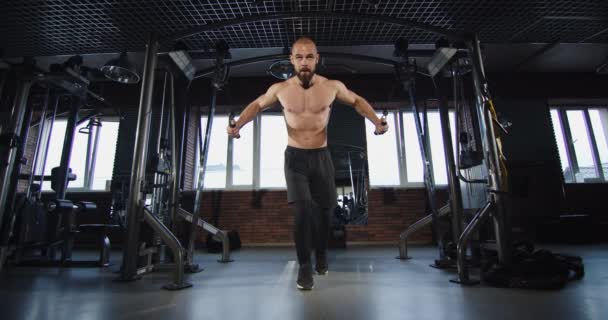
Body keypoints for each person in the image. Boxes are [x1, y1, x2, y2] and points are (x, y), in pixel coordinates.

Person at [227, 36, 388, 290]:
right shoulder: (280, 89)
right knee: (302, 210)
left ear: (317, 59)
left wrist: (376, 121)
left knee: (324, 213)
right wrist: (238, 125)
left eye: (309, 57)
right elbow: (257, 104)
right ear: (291, 60)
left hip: (322, 157)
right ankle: (304, 267)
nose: (304, 62)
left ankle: (321, 254)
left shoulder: (331, 86)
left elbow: (356, 100)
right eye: (299, 57)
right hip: (295, 158)